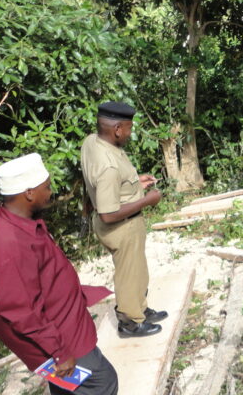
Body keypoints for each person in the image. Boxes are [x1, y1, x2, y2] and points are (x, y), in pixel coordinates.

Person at [0, 153, 118, 394]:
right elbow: (20, 311)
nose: (50, 191)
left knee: (70, 389)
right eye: (47, 187)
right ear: (29, 193)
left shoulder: (20, 220)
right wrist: (59, 352)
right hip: (60, 339)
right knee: (102, 383)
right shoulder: (8, 244)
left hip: (64, 321)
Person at [81, 101, 166, 338]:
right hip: (121, 226)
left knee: (137, 269)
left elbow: (103, 184)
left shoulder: (92, 142)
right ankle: (130, 321)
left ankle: (141, 308)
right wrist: (147, 200)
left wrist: (135, 182)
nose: (130, 133)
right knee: (128, 273)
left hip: (125, 222)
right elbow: (108, 214)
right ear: (117, 129)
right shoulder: (108, 166)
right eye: (129, 128)